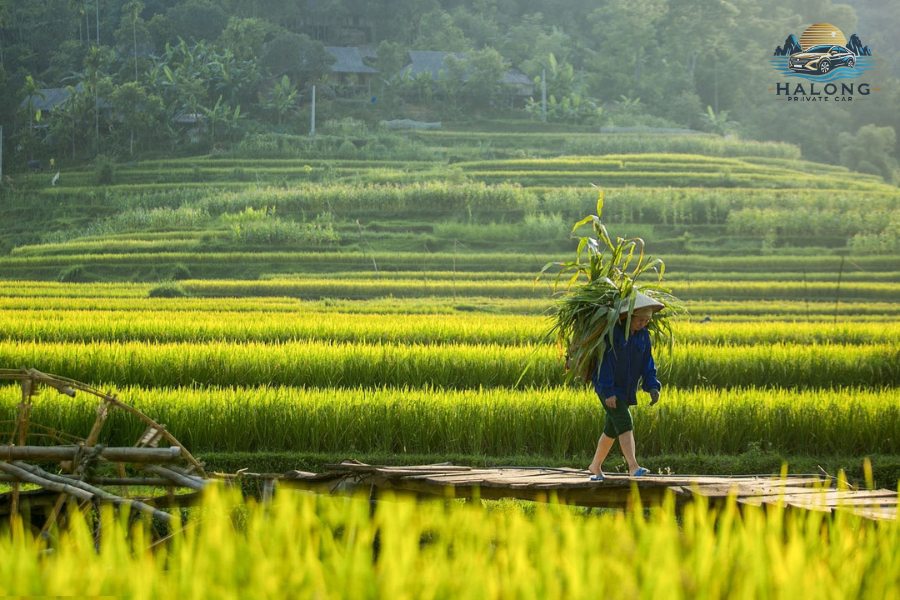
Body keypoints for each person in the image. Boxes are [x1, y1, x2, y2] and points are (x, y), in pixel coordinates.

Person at [587, 291, 664, 481]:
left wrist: (652, 385)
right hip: (609, 389)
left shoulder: (643, 336)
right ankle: (633, 466)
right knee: (624, 421)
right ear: (628, 317)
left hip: (627, 389)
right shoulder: (613, 334)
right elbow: (604, 364)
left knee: (612, 429)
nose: (644, 324)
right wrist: (608, 392)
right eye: (640, 320)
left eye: (647, 321)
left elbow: (648, 363)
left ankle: (595, 466)